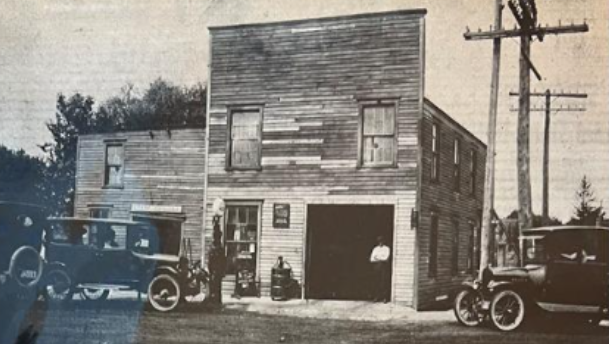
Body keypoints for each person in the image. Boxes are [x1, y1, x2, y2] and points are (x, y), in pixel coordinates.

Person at [370, 236, 390, 303]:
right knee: (376, 281)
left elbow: (386, 258)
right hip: (376, 267)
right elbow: (372, 259)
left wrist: (377, 258)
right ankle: (376, 297)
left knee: (384, 281)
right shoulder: (375, 249)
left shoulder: (386, 249)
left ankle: (385, 298)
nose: (380, 242)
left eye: (382, 241)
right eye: (379, 241)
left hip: (384, 267)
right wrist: (380, 258)